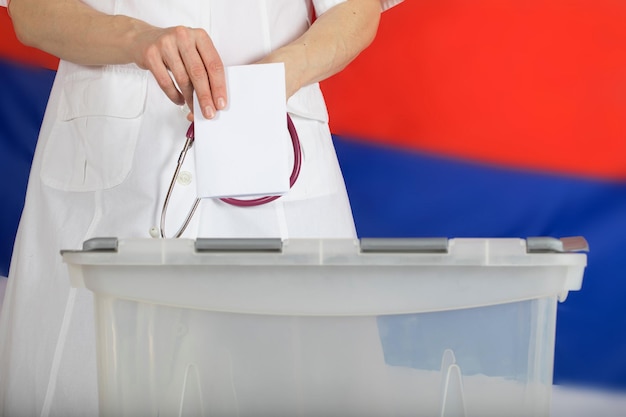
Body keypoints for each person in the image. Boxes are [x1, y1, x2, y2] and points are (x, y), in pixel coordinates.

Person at [0, 0, 402, 415]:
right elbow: (29, 12)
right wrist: (136, 38)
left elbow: (357, 10)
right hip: (105, 176)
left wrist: (279, 74)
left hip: (274, 171)